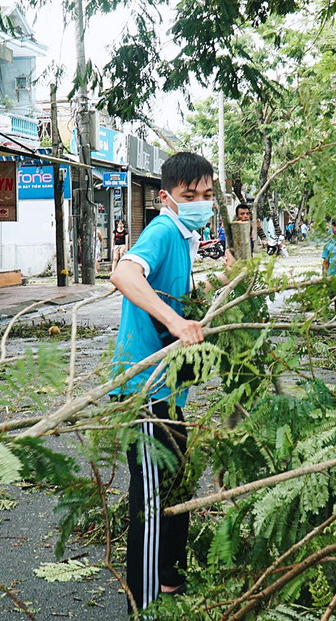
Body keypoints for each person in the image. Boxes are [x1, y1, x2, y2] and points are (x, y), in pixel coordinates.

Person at [109, 151, 218, 613]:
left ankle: (169, 579)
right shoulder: (162, 230)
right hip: (146, 390)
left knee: (178, 482)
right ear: (167, 198)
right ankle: (145, 602)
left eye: (207, 195)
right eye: (190, 195)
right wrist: (175, 322)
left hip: (169, 390)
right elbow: (123, 273)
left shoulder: (186, 237)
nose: (200, 203)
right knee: (152, 499)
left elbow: (176, 291)